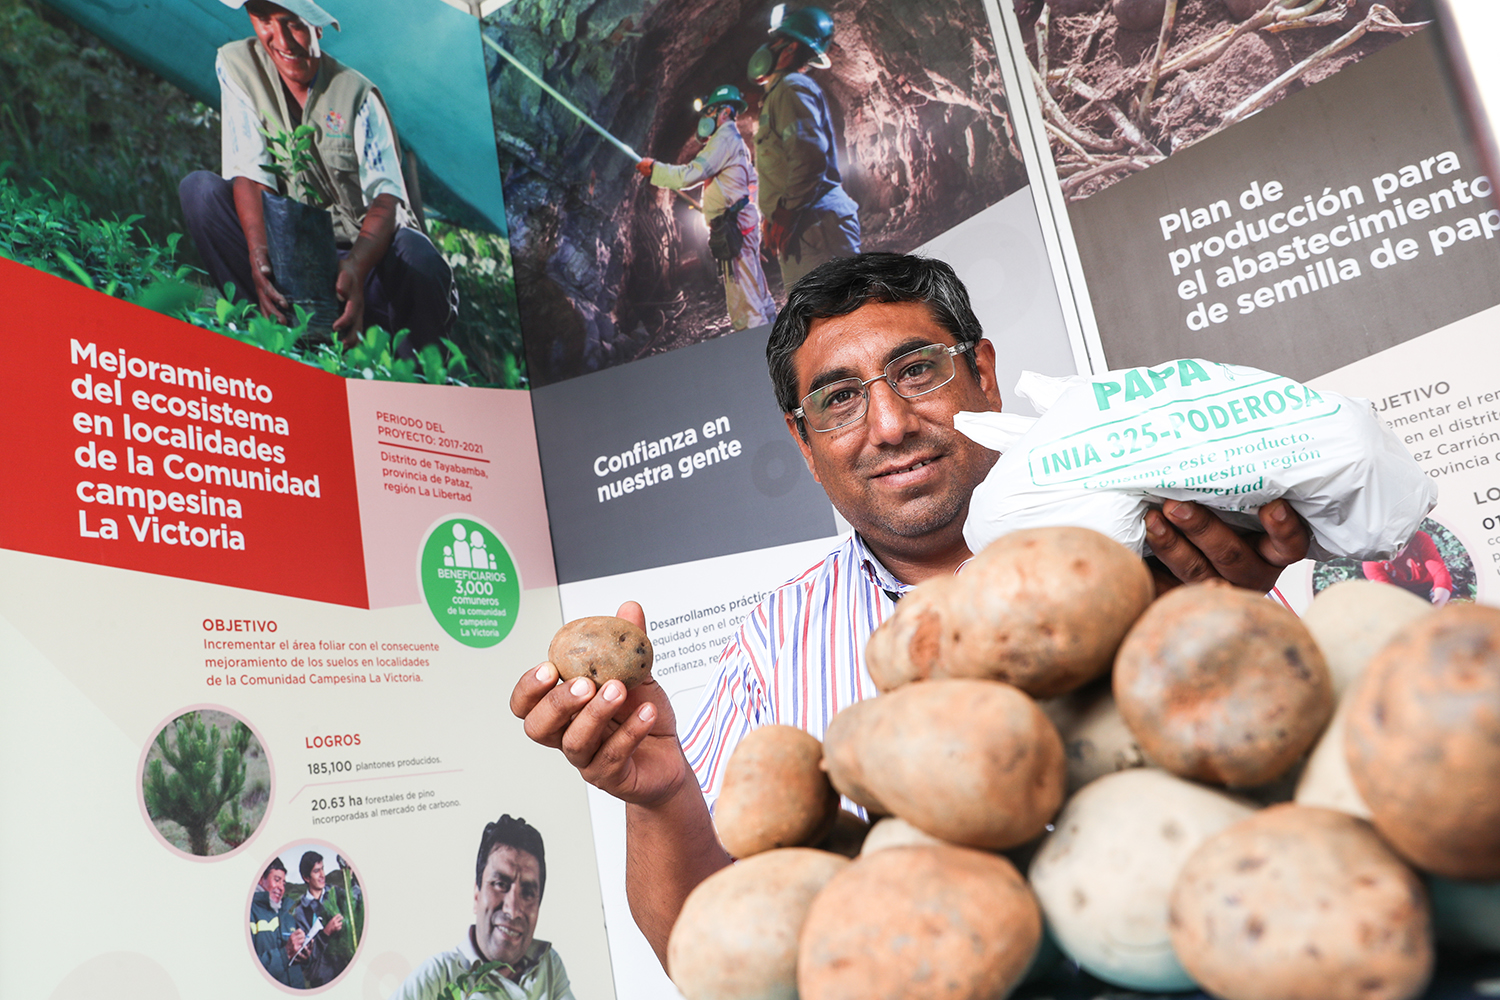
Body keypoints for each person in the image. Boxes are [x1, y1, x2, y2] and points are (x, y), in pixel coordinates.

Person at [510, 252, 1312, 968]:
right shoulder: (773, 638)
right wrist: (659, 797)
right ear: (803, 443)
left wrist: (1183, 634)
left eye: (918, 371)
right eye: (839, 400)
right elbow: (713, 951)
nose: (889, 426)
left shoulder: (1156, 549)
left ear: (984, 373)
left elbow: (1306, 808)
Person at [179, 0, 456, 349]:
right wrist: (259, 257)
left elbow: (387, 198)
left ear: (318, 26)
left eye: (292, 22)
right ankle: (271, 325)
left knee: (420, 260)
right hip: (288, 254)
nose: (281, 39)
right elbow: (248, 171)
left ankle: (410, 370)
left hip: (361, 267)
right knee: (200, 191)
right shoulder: (237, 65)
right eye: (264, 19)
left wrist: (355, 268)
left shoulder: (359, 96)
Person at [637, 86, 776, 331]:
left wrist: (655, 170)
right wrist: (752, 234)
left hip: (734, 227)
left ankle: (757, 349)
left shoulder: (723, 138)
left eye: (709, 112)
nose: (705, 119)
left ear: (723, 113)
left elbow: (692, 173)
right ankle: (772, 330)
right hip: (742, 224)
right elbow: (752, 183)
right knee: (755, 288)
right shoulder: (737, 142)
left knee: (744, 301)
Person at [392, 814, 576, 1000]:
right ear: (476, 894)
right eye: (499, 884)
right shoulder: (437, 977)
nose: (512, 911)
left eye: (528, 893)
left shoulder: (548, 964)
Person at [748, 6, 861, 288]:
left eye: (775, 42)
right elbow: (784, 165)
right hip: (808, 228)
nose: (769, 48)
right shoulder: (780, 94)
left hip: (816, 228)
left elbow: (808, 158)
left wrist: (784, 215)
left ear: (789, 48)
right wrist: (772, 216)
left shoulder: (791, 88)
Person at [291, 850, 357, 987]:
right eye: (316, 871)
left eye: (323, 869)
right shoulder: (301, 912)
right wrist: (326, 933)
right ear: (306, 877)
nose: (322, 875)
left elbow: (355, 902)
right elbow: (306, 955)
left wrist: (350, 877)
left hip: (346, 972)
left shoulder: (335, 893)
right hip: (322, 981)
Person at [250, 858, 307, 988]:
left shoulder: (288, 917)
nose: (281, 887)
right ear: (260, 879)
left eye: (284, 883)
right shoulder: (248, 914)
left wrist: (304, 956)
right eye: (276, 880)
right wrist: (285, 953)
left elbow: (300, 964)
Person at [1362, 528, 1454, 605]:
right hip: (1403, 599)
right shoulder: (1371, 562)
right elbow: (1391, 596)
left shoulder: (1420, 539)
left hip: (1432, 590)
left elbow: (1440, 575)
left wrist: (1437, 607)